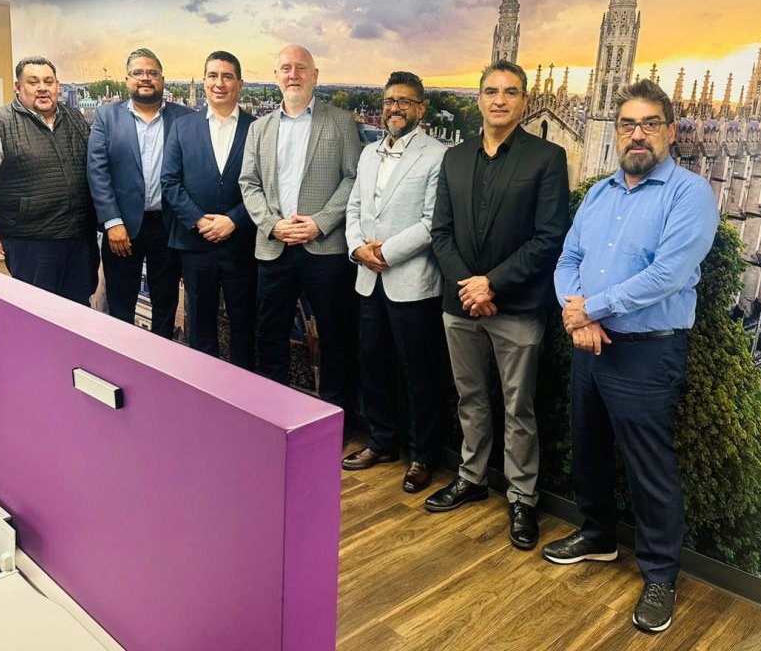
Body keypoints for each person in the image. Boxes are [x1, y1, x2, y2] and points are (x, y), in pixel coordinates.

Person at [545, 78, 718, 633]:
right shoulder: (600, 193)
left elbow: (668, 275)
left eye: (649, 124)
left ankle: (661, 575)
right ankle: (598, 536)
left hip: (647, 352)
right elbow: (568, 258)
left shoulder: (689, 194)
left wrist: (590, 309)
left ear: (670, 131)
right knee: (589, 447)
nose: (637, 134)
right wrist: (577, 311)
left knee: (649, 467)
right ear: (617, 131)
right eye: (627, 124)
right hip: (590, 345)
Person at [425, 59, 569, 551]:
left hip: (518, 307)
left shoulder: (546, 158)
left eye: (510, 92)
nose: (500, 100)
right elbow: (440, 233)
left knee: (518, 407)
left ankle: (522, 497)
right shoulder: (455, 158)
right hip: (461, 305)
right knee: (469, 397)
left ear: (525, 101)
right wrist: (470, 287)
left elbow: (549, 237)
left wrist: (493, 285)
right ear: (479, 99)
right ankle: (471, 478)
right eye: (491, 91)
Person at [240, 44, 361, 428]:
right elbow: (249, 184)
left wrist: (320, 222)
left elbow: (353, 178)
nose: (293, 75)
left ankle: (333, 425)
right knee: (270, 336)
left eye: (301, 68)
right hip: (274, 247)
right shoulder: (259, 128)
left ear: (315, 75)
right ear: (276, 76)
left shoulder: (340, 121)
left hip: (324, 248)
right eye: (286, 68)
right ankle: (274, 421)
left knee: (335, 338)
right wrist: (272, 224)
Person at [342, 71, 448, 492]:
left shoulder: (437, 155)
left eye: (404, 101)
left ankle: (424, 455)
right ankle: (382, 442)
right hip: (368, 278)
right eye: (389, 101)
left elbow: (432, 222)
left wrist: (385, 252)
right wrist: (358, 249)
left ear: (421, 109)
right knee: (374, 365)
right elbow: (354, 207)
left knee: (419, 374)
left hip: (413, 282)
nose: (395, 108)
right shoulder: (369, 153)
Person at [88, 48, 193, 337]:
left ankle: (160, 357)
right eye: (138, 72)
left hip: (169, 227)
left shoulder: (185, 118)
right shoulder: (107, 116)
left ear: (162, 79)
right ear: (127, 80)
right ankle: (123, 356)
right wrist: (112, 222)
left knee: (166, 302)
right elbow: (97, 171)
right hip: (122, 228)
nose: (145, 78)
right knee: (121, 303)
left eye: (152, 72)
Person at [161, 51, 257, 368]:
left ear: (240, 84)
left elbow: (269, 186)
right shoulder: (182, 127)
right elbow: (170, 182)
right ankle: (205, 388)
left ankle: (244, 390)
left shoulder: (259, 129)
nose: (219, 83)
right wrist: (199, 220)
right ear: (203, 82)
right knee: (200, 328)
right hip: (196, 244)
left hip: (242, 244)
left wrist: (234, 220)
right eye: (213, 75)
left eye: (227, 76)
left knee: (244, 326)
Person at [0, 56, 97, 304]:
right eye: (33, 82)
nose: (42, 88)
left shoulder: (76, 118)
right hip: (30, 241)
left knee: (79, 309)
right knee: (38, 309)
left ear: (57, 86)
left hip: (79, 238)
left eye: (48, 81)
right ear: (18, 87)